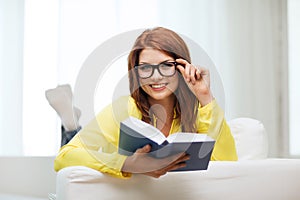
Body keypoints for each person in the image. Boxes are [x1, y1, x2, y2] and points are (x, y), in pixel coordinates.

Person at [53, 27, 238, 179]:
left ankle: (71, 121)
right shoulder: (124, 108)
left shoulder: (200, 111)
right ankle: (70, 124)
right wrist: (126, 164)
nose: (156, 77)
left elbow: (228, 166)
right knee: (73, 137)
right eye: (146, 68)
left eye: (166, 65)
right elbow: (64, 157)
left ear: (182, 67)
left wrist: (205, 96)